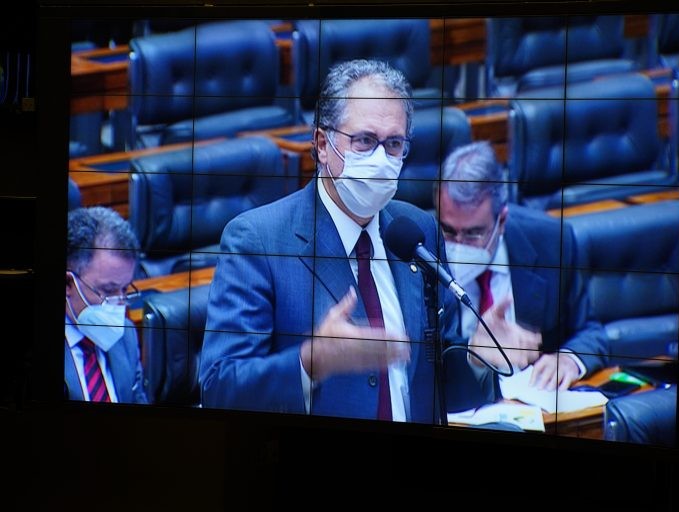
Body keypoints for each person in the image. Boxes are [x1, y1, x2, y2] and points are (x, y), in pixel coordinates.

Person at [199, 59, 509, 422]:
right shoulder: (258, 240)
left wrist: (478, 360)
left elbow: (438, 387)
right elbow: (219, 388)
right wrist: (312, 360)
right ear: (323, 144)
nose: (380, 159)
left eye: (393, 144)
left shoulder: (416, 230)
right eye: (364, 141)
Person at [435, 141, 609, 392]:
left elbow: (591, 333)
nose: (459, 244)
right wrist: (473, 354)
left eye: (474, 233)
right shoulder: (420, 251)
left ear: (501, 221)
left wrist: (569, 359)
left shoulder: (551, 241)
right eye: (449, 231)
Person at [65, 206, 149, 404]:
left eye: (125, 289)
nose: (119, 304)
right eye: (109, 290)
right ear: (68, 284)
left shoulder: (125, 336)